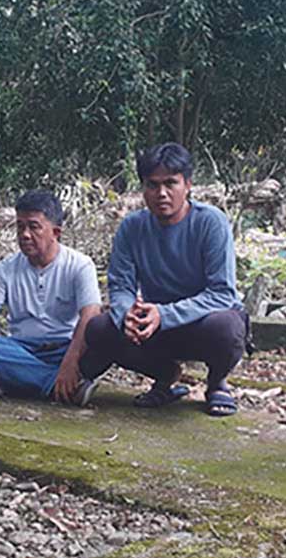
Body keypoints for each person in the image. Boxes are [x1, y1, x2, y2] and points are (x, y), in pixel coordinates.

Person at [80, 142, 247, 416]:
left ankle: (217, 382)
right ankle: (165, 374)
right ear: (143, 189)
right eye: (152, 185)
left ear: (188, 184)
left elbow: (222, 293)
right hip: (154, 326)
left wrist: (165, 314)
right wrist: (127, 316)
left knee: (227, 327)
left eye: (171, 183)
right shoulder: (132, 227)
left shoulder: (211, 222)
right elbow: (121, 285)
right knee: (99, 329)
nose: (162, 193)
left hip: (200, 322)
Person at [0, 190, 102, 405]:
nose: (24, 234)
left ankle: (12, 380)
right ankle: (54, 385)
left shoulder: (80, 265)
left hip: (66, 348)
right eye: (20, 226)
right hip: (21, 348)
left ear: (56, 232)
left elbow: (90, 314)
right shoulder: (5, 269)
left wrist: (70, 362)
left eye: (33, 227)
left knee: (102, 336)